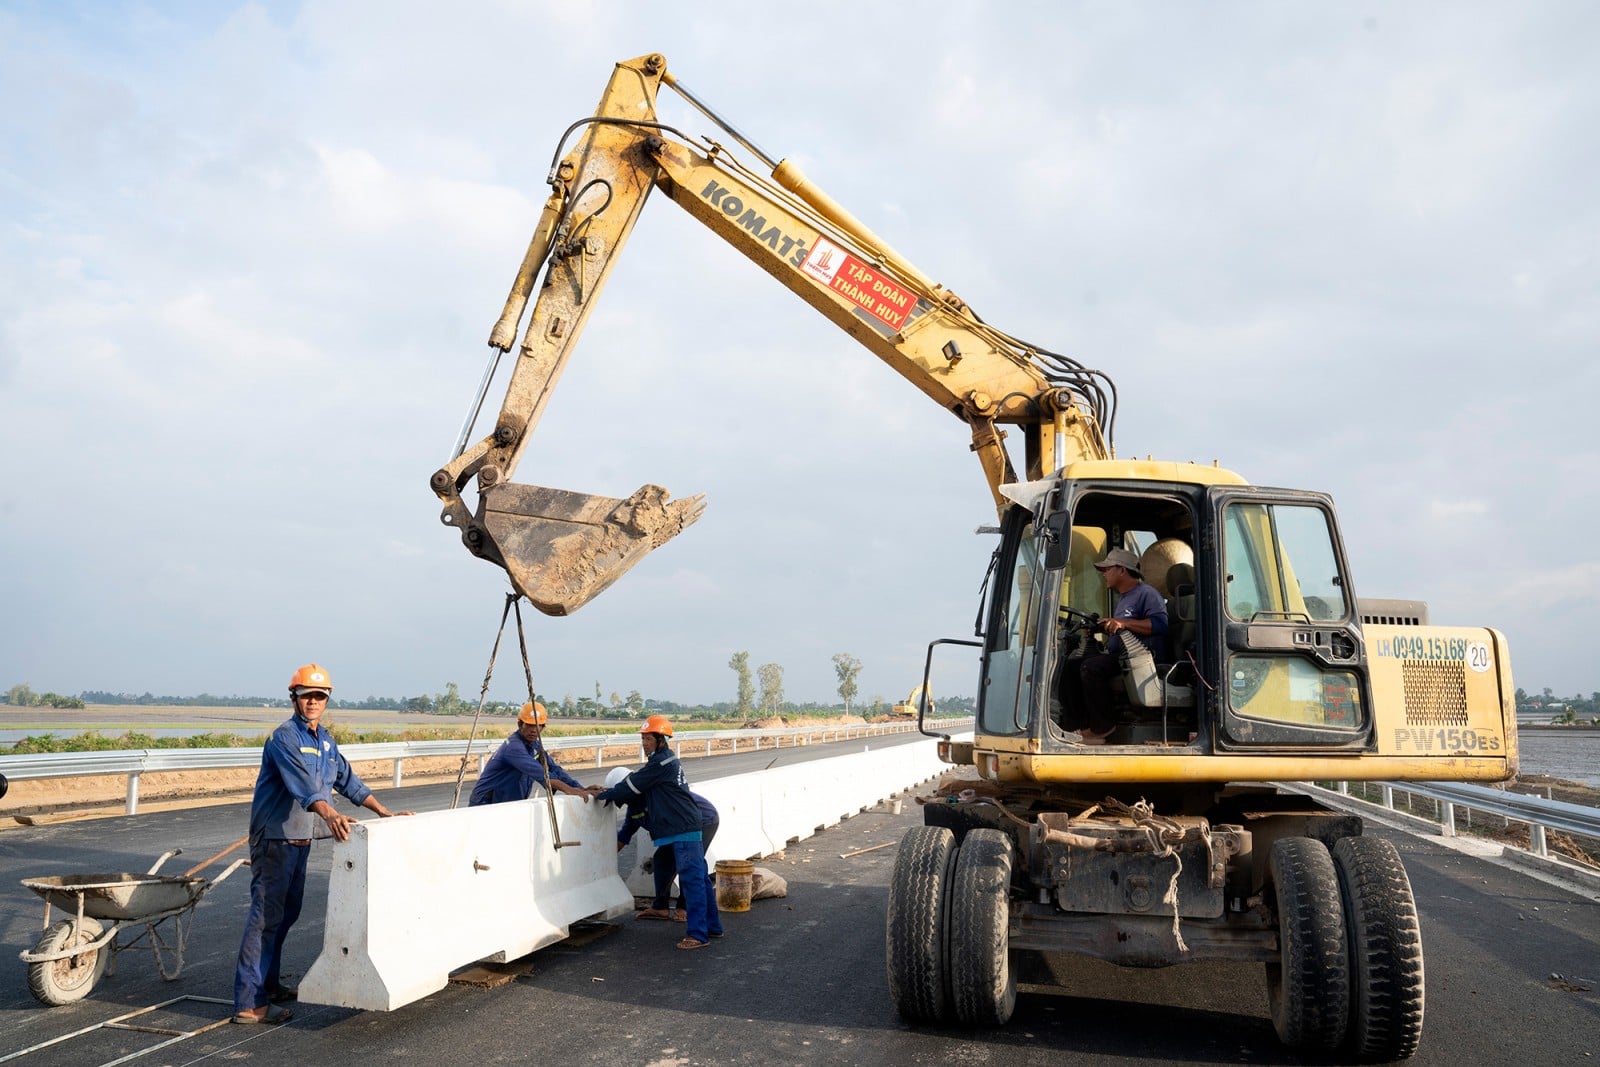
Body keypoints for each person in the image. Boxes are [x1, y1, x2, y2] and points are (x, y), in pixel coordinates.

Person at [233, 663, 412, 1025]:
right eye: (306, 696)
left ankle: (269, 985)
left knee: (286, 915)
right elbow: (306, 787)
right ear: (294, 698)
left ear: (326, 700)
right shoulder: (284, 738)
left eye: (319, 696)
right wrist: (330, 814)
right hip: (275, 840)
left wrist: (383, 812)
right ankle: (250, 1002)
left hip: (300, 838)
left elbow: (349, 780)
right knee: (265, 918)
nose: (312, 702)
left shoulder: (325, 740)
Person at [589, 715, 723, 949]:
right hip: (682, 827)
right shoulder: (662, 763)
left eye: (648, 738)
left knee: (692, 880)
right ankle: (712, 927)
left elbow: (630, 786)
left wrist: (601, 794)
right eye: (642, 738)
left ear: (661, 739)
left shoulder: (661, 764)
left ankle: (698, 934)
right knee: (697, 877)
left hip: (685, 827)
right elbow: (626, 829)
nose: (644, 743)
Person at [1059, 547, 1169, 745]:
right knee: (1070, 667)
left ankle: (1102, 727)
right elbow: (1122, 626)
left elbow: (1160, 625)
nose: (1104, 575)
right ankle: (1079, 728)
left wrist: (1123, 624)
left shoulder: (1147, 594)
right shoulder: (1125, 598)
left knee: (1091, 668)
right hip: (1120, 657)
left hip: (1140, 660)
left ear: (1122, 570)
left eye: (1107, 569)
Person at [607, 766, 720, 922]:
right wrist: (604, 861)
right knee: (662, 860)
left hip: (703, 820)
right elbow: (624, 836)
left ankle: (685, 907)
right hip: (678, 828)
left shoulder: (657, 794)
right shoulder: (634, 809)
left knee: (687, 863)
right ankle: (660, 907)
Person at [469, 702, 591, 806]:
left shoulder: (535, 746)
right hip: (486, 803)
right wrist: (569, 790)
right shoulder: (514, 747)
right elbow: (542, 774)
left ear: (543, 727)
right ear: (520, 724)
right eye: (529, 725)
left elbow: (554, 769)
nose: (533, 730)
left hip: (507, 803)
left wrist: (581, 789)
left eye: (538, 726)